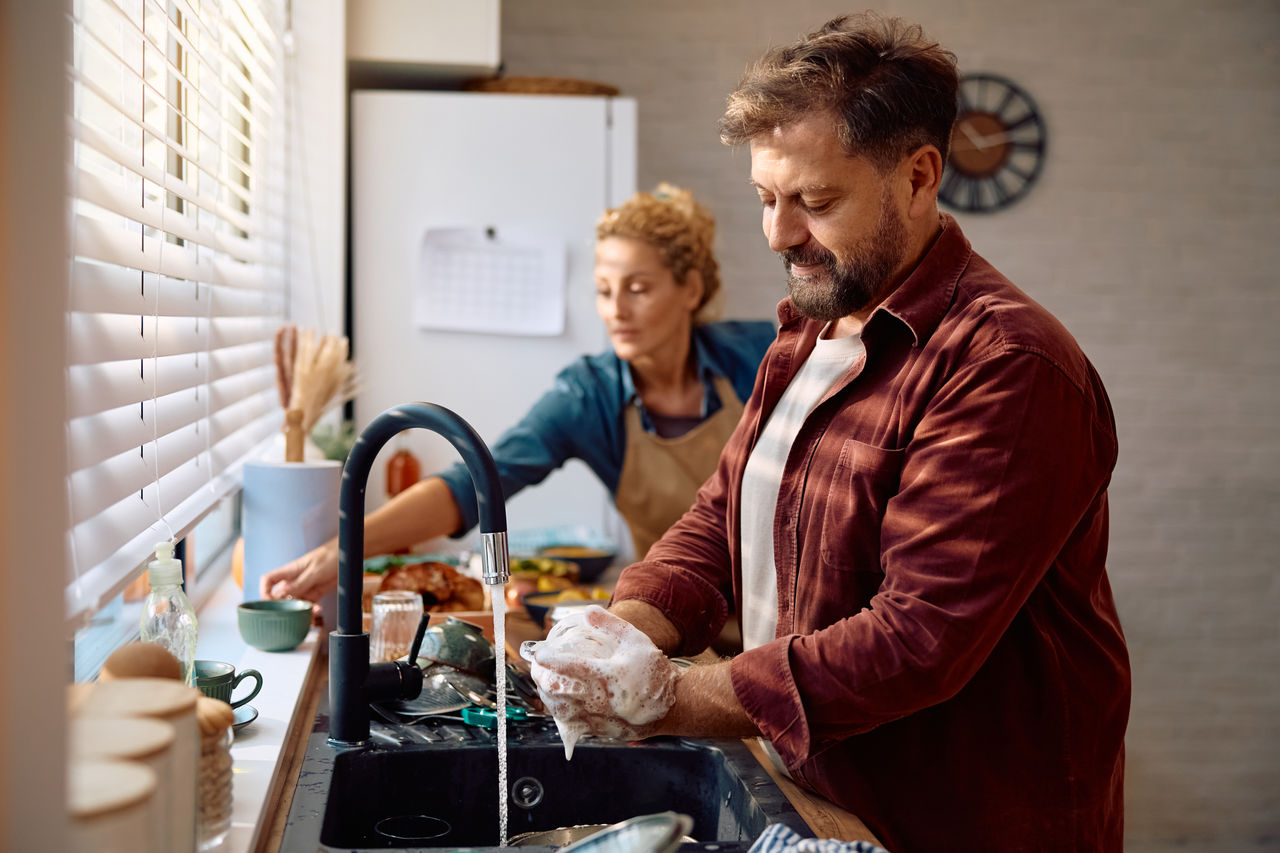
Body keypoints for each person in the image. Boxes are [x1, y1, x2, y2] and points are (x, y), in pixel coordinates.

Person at [520, 14, 1130, 853]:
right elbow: (721, 518)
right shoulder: (812, 329)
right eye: (767, 199)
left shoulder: (1008, 364)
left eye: (815, 201)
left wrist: (664, 696)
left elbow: (917, 638)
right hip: (822, 808)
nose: (778, 233)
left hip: (958, 825)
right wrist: (623, 634)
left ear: (919, 176)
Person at [259, 183, 775, 604]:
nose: (616, 309)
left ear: (691, 290)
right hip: (676, 622)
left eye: (638, 289)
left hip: (785, 615)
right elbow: (477, 482)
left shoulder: (764, 357)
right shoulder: (589, 396)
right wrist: (345, 550)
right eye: (602, 289)